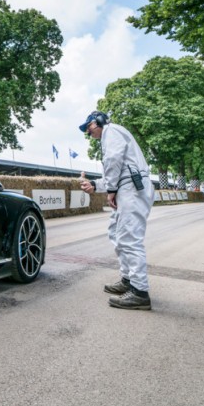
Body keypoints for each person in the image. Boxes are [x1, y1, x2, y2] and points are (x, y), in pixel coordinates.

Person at [78, 111, 154, 310]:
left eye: (89, 127)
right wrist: (95, 184)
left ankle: (139, 292)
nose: (88, 132)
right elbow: (116, 170)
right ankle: (129, 280)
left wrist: (110, 189)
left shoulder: (111, 132)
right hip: (127, 187)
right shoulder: (112, 135)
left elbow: (113, 162)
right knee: (117, 234)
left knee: (129, 238)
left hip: (131, 189)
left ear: (99, 121)